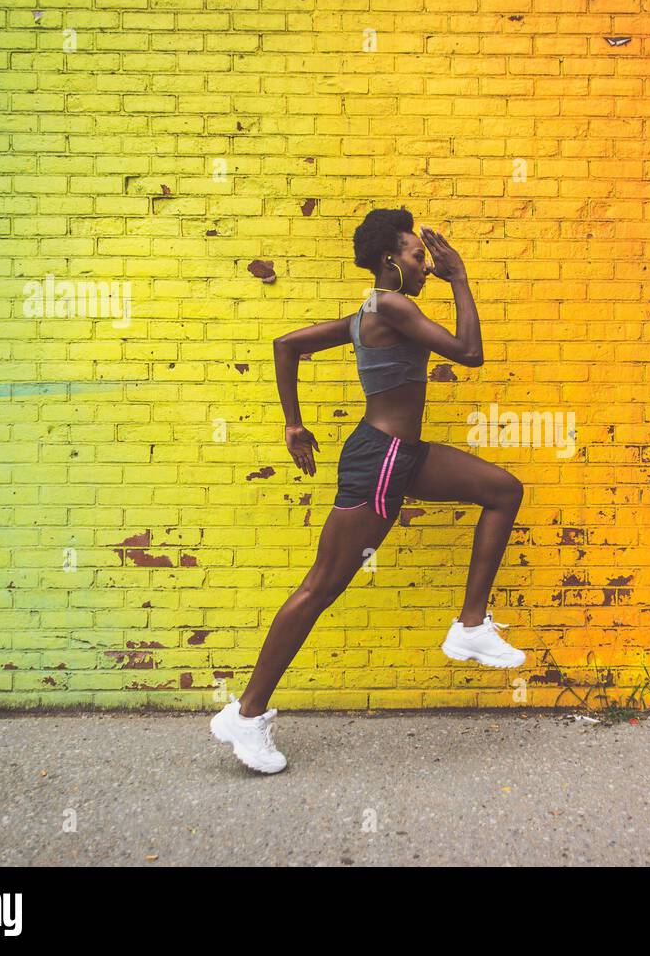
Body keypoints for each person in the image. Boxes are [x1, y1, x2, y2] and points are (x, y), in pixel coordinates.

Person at [210, 208, 527, 773]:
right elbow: (470, 353)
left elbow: (287, 345)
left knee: (503, 490)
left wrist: (294, 424)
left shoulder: (368, 312)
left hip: (401, 456)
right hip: (380, 460)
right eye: (415, 256)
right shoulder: (391, 305)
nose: (424, 264)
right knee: (321, 586)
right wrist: (459, 276)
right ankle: (247, 714)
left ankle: (471, 626)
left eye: (426, 259)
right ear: (390, 262)